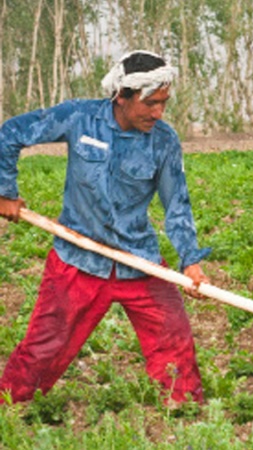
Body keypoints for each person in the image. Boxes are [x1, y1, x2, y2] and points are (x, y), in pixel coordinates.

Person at [0, 51, 210, 405]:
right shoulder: (81, 117)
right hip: (76, 261)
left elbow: (177, 205)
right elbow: (10, 133)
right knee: (43, 348)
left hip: (138, 263)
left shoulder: (164, 141)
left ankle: (186, 417)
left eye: (164, 103)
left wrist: (190, 261)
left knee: (174, 343)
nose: (158, 113)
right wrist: (5, 191)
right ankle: (9, 408)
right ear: (122, 96)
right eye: (151, 103)